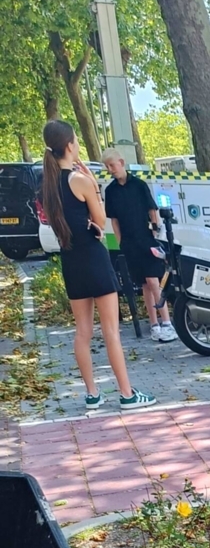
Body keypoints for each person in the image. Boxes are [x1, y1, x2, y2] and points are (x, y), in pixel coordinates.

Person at [40, 120, 156, 411]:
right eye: (76, 141)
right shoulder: (79, 180)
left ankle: (92, 394)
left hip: (70, 260)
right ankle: (127, 394)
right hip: (94, 257)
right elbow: (101, 218)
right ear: (69, 146)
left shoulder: (48, 185)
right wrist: (92, 182)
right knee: (111, 331)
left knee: (82, 331)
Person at [102, 149, 176, 343]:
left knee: (153, 281)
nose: (110, 170)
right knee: (144, 283)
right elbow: (114, 219)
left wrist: (154, 231)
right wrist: (120, 241)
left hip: (146, 238)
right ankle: (154, 325)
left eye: (112, 165)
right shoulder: (110, 191)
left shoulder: (140, 185)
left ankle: (167, 322)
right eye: (107, 167)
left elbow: (152, 209)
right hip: (129, 242)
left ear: (121, 162)